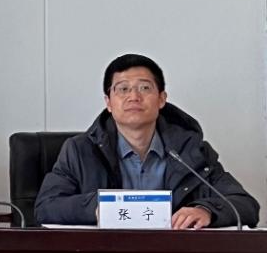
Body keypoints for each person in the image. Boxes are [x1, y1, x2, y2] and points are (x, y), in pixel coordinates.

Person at [36, 53, 259, 229]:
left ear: (161, 99)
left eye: (144, 87)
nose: (134, 97)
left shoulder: (191, 151)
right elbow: (46, 207)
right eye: (123, 89)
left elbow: (246, 205)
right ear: (109, 102)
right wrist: (98, 208)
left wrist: (206, 210)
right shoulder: (80, 150)